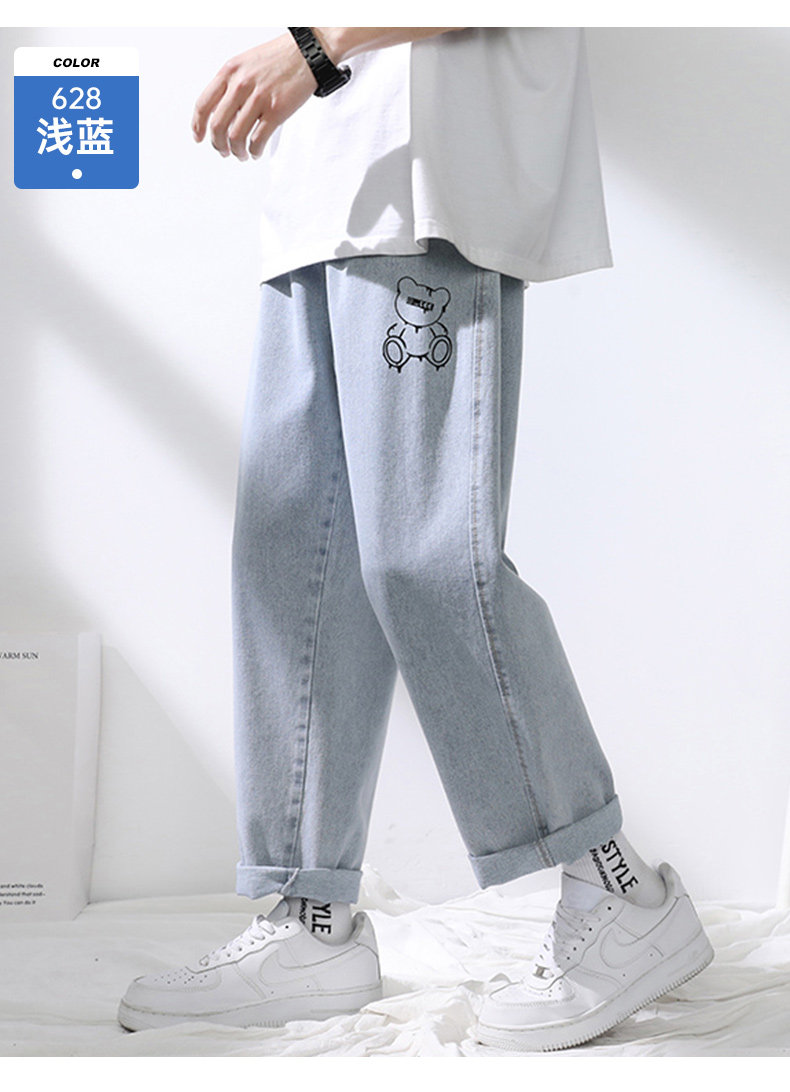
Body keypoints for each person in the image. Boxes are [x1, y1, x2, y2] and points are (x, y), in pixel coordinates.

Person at [118, 27, 713, 1051]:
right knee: (294, 564)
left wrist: (314, 46)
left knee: (425, 557)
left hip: (423, 179)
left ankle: (620, 890)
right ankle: (311, 922)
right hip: (318, 195)